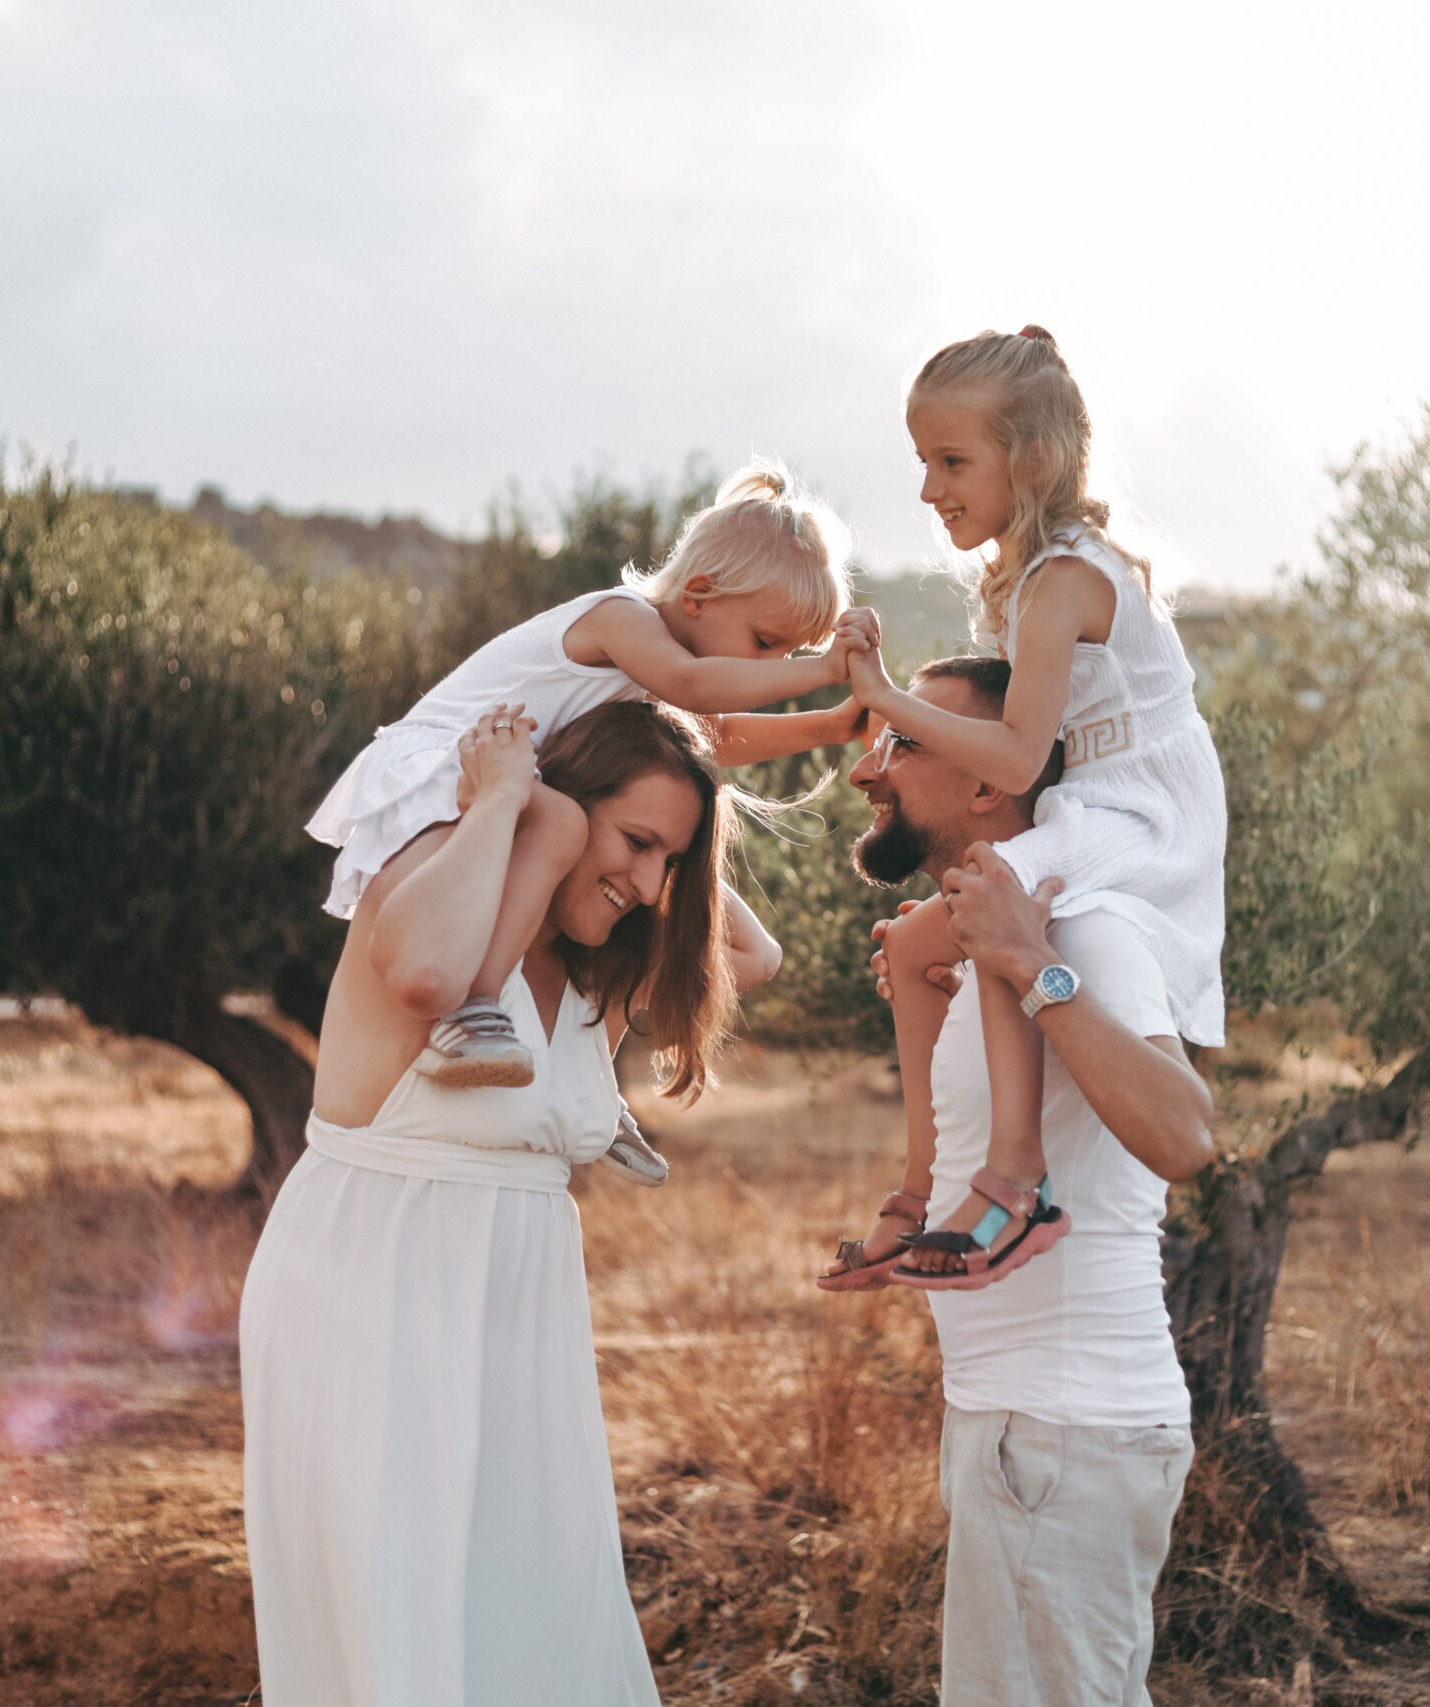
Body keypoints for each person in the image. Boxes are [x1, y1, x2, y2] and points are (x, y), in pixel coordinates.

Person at [241, 699, 768, 1707]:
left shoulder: (594, 976)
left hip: (521, 1332)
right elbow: (430, 974)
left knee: (531, 1619)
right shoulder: (426, 885)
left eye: (671, 862)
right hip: (368, 1299)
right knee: (407, 1622)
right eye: (637, 843)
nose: (648, 885)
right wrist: (501, 806)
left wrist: (680, 841)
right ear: (560, 805)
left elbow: (749, 960)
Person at [306, 459, 874, 1184]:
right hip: (462, 762)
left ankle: (589, 1088)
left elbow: (712, 734)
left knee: (603, 848)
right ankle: (472, 1014)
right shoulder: (620, 619)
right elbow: (699, 689)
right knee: (562, 823)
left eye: (789, 653)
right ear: (697, 595)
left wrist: (830, 726)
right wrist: (824, 670)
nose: (774, 666)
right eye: (768, 643)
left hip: (518, 777)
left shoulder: (657, 671)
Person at [845, 655, 1217, 1705]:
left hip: (1062, 1434)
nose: (873, 769)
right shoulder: (977, 951)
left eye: (907, 742)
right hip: (1023, 1431)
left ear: (985, 782)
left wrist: (1029, 966)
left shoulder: (1082, 925)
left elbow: (1186, 1135)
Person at [822, 328, 1226, 1289]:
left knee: (998, 893)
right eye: (924, 462)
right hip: (1095, 794)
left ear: (1034, 460)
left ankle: (1017, 1179)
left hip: (1144, 811)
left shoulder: (1065, 582)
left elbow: (1013, 754)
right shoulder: (1025, 578)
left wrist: (883, 695)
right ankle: (923, 1185)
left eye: (952, 461)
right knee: (920, 943)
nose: (930, 490)